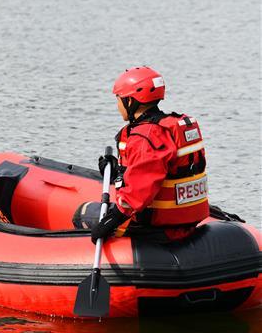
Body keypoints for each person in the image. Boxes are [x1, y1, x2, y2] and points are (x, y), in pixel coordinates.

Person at [74, 67, 209, 242]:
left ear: (130, 101)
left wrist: (111, 220)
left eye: (118, 99)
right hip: (187, 221)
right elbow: (158, 170)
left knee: (83, 214)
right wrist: (118, 172)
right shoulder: (171, 127)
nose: (117, 105)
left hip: (158, 228)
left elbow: (138, 193)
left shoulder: (146, 136)